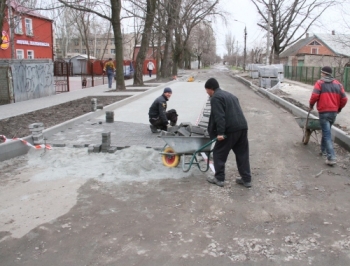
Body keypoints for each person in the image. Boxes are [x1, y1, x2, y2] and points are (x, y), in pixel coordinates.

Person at [205, 78, 252, 188]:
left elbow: (219, 116)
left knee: (218, 153)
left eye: (207, 90)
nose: (207, 93)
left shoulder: (216, 98)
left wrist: (220, 132)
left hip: (230, 130)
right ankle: (246, 179)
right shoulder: (230, 95)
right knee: (242, 154)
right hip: (242, 127)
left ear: (210, 89)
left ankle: (219, 178)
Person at [309, 66, 348, 166]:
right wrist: (339, 108)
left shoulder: (320, 83)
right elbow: (344, 99)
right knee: (326, 131)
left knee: (326, 134)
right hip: (333, 113)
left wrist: (311, 105)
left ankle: (331, 157)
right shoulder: (338, 84)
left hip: (324, 112)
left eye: (322, 72)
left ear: (324, 73)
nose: (321, 74)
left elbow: (314, 96)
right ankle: (323, 150)